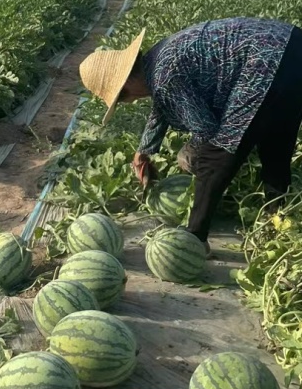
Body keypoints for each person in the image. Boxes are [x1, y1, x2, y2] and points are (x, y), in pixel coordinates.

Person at [78, 18, 302, 251]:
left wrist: (193, 153)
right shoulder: (156, 59)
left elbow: (207, 129)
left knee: (214, 156)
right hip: (291, 45)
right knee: (276, 135)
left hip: (265, 62)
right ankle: (276, 214)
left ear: (126, 83)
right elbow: (162, 105)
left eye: (122, 97)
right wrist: (144, 151)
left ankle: (194, 240)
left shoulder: (164, 79)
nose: (130, 101)